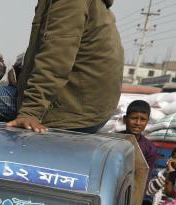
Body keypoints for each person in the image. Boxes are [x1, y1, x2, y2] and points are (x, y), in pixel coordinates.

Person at [7, 0, 123, 133]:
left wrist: (30, 112)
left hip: (73, 110)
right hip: (91, 107)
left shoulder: (69, 2)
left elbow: (54, 60)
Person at [123, 99, 157, 183]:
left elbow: (144, 179)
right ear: (125, 119)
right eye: (134, 118)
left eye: (142, 119)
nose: (138, 123)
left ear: (147, 122)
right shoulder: (114, 139)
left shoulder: (150, 149)